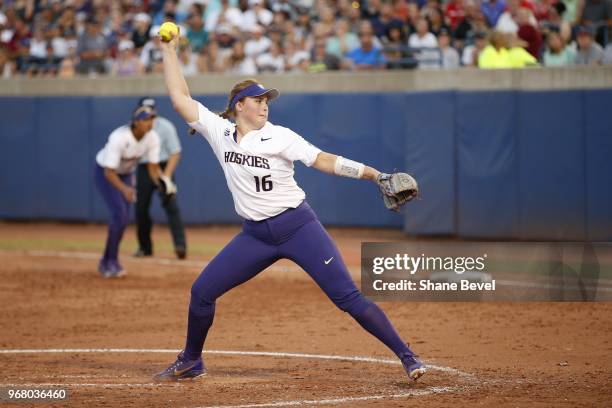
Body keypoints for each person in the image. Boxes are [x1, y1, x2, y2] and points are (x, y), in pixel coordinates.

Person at [153, 28, 425, 383]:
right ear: (239, 106)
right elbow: (178, 97)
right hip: (255, 237)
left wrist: (374, 175)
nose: (265, 104)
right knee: (202, 292)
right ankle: (191, 360)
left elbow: (324, 160)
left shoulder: (279, 136)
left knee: (347, 298)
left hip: (298, 227)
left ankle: (408, 356)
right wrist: (169, 51)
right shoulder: (219, 131)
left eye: (267, 99)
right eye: (258, 99)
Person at [94, 106, 161, 278]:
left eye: (152, 119)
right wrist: (125, 189)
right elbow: (109, 172)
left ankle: (108, 260)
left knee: (122, 220)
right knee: (120, 215)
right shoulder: (119, 138)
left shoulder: (152, 138)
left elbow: (153, 168)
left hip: (126, 175)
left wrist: (162, 184)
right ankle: (109, 262)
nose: (150, 123)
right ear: (136, 122)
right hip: (106, 174)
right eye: (146, 119)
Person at [134, 97, 187, 260]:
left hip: (164, 167)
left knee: (171, 206)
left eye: (151, 112)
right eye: (145, 111)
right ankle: (145, 247)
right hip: (144, 168)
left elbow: (175, 152)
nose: (148, 116)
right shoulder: (135, 128)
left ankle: (180, 246)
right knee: (141, 209)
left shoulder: (165, 126)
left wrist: (167, 176)